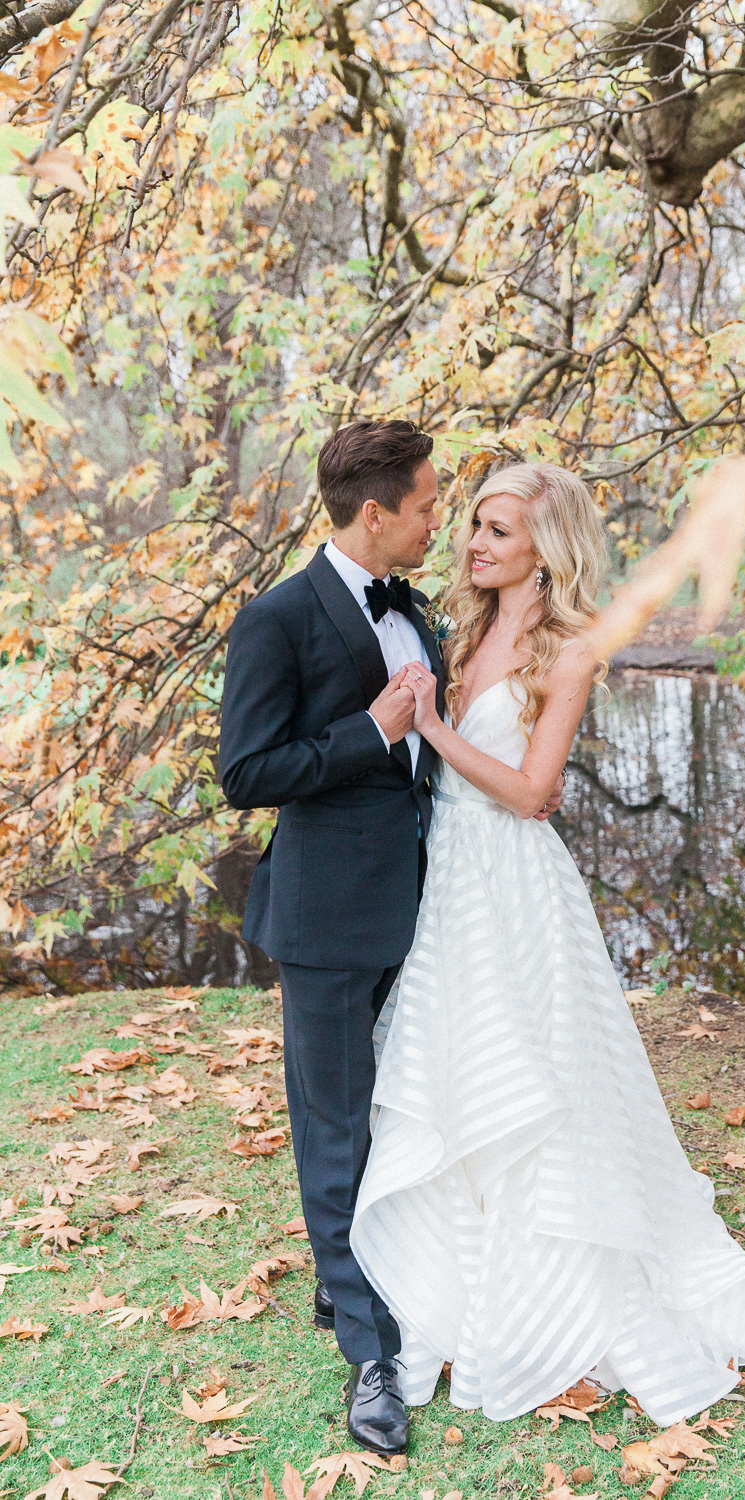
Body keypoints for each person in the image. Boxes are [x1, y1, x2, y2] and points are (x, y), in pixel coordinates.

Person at [350, 461, 745, 1425]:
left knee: (541, 1078)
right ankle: (456, 1264)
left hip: (517, 886)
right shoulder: (468, 631)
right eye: (475, 526)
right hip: (450, 876)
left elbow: (534, 791)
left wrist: (440, 729)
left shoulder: (570, 650)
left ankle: (557, 1275)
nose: (475, 543)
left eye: (497, 530)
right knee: (456, 1069)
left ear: (548, 545)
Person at [219, 419, 448, 1458]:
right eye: (428, 504)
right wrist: (370, 733)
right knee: (333, 1127)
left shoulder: (418, 610)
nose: (436, 517)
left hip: (423, 908)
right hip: (322, 916)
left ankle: (346, 1275)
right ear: (375, 513)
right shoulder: (273, 619)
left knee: (397, 1111)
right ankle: (368, 1354)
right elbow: (246, 773)